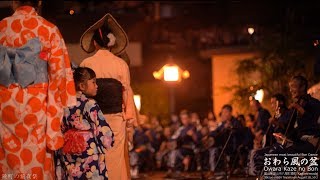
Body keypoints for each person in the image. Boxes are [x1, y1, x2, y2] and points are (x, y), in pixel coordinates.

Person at [0, 0, 76, 179]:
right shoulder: (48, 29)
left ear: (13, 2)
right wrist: (57, 113)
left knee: (6, 161)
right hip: (36, 106)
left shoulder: (1, 27)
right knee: (36, 159)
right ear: (39, 2)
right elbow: (59, 76)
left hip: (4, 105)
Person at [80, 13, 137, 180]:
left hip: (91, 119)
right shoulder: (121, 64)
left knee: (94, 157)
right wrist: (129, 123)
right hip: (116, 119)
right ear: (111, 44)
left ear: (95, 43)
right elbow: (126, 93)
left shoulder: (86, 64)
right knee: (114, 159)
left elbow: (81, 94)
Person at [57, 67, 114, 179]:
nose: (96, 86)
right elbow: (101, 126)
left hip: (68, 147)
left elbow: (60, 126)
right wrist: (108, 140)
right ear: (82, 86)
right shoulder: (89, 104)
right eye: (93, 82)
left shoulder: (63, 104)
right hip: (88, 149)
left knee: (72, 175)